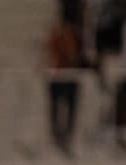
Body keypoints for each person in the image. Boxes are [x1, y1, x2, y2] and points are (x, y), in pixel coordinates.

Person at [45, 10, 83, 156]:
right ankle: (57, 134)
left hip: (69, 75)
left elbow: (73, 56)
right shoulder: (58, 35)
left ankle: (65, 134)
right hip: (58, 75)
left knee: (68, 107)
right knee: (57, 106)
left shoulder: (71, 35)